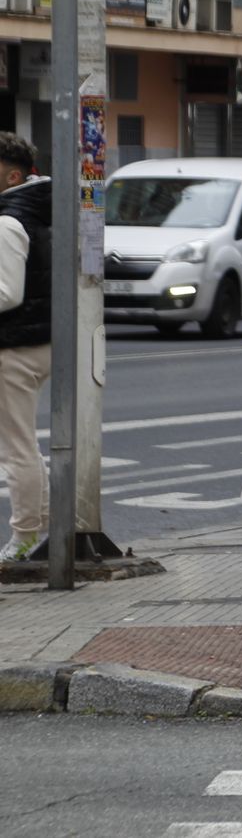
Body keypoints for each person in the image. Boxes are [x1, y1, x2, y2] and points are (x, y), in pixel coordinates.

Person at [0, 134, 51, 563]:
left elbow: (6, 293)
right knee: (26, 446)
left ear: (13, 175)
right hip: (45, 338)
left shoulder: (8, 221)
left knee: (17, 448)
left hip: (15, 346)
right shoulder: (45, 209)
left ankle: (25, 538)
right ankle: (41, 530)